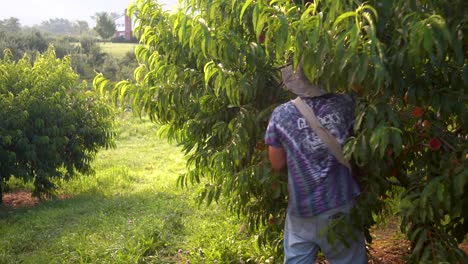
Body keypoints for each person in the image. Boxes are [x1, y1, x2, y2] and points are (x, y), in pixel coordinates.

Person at [264, 60, 368, 264]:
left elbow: (276, 163)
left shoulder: (281, 114)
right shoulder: (345, 104)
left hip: (301, 210)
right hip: (339, 205)